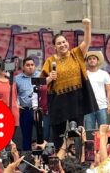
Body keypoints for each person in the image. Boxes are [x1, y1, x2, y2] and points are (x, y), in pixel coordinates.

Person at [40, 18, 98, 150]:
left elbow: (87, 41)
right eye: (59, 43)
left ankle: (79, 157)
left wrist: (87, 26)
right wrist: (49, 78)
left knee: (78, 131)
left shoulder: (76, 54)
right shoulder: (50, 61)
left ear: (68, 43)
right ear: (54, 46)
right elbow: (39, 82)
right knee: (58, 134)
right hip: (58, 101)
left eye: (64, 42)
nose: (62, 45)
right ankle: (60, 161)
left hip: (76, 98)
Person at [14, 57, 40, 151]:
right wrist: (16, 104)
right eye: (28, 65)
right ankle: (26, 160)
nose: (30, 67)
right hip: (25, 111)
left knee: (41, 136)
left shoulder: (40, 75)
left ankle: (41, 159)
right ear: (23, 67)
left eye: (32, 65)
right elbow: (13, 94)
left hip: (39, 110)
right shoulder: (17, 79)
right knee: (26, 136)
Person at [84, 51, 110, 130]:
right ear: (87, 62)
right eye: (89, 59)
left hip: (102, 107)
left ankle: (103, 143)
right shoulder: (84, 74)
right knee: (89, 132)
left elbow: (109, 90)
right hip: (88, 107)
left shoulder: (104, 74)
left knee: (104, 131)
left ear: (97, 61)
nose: (92, 60)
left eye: (94, 58)